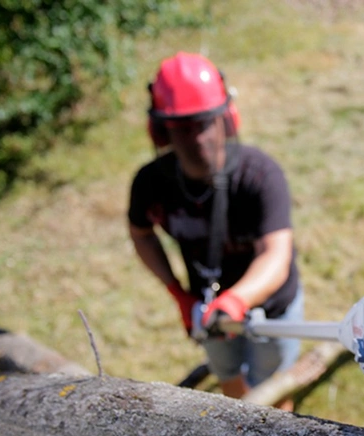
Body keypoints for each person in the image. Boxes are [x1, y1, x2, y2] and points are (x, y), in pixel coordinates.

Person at [127, 52, 302, 410]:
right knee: (228, 376)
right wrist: (177, 292)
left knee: (273, 385)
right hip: (206, 307)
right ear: (160, 131)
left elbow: (276, 253)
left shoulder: (260, 176)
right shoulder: (151, 182)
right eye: (183, 127)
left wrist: (238, 300)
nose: (197, 139)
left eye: (204, 123)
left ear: (227, 118)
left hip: (270, 309)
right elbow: (141, 233)